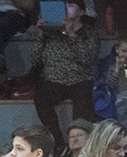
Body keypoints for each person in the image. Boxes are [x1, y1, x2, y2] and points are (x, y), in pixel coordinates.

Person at [32, 0, 99, 147]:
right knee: (41, 97)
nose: (66, 8)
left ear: (81, 12)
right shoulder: (50, 33)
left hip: (81, 79)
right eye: (64, 5)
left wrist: (72, 35)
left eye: (70, 5)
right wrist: (40, 35)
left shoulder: (89, 32)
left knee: (84, 102)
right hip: (54, 79)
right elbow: (35, 60)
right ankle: (57, 141)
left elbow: (88, 59)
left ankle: (79, 144)